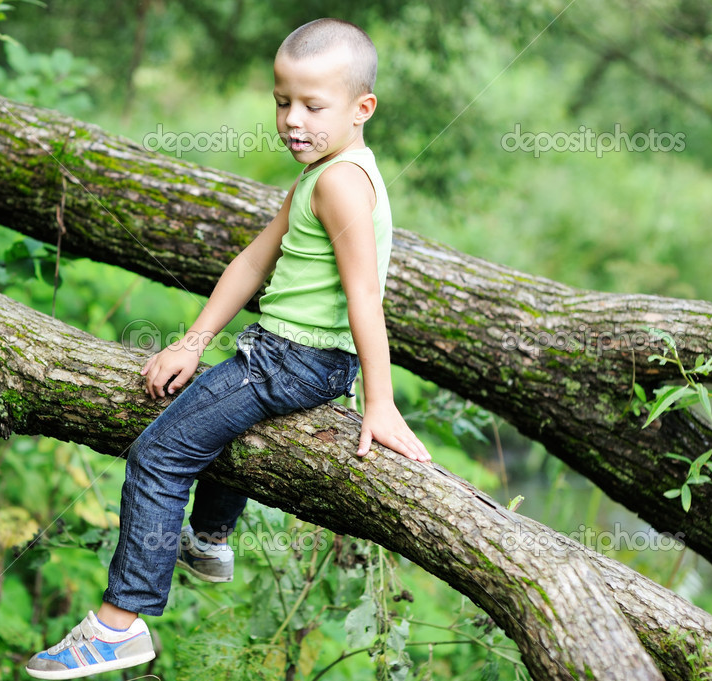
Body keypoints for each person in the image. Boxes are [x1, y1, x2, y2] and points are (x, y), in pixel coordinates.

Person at [25, 17, 432, 680]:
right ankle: (208, 540)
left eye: (312, 106)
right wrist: (192, 340)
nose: (291, 120)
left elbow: (364, 296)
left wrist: (378, 403)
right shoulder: (325, 173)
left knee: (157, 453)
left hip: (290, 361)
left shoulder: (338, 183)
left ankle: (117, 625)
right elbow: (252, 261)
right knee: (212, 412)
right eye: (281, 101)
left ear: (362, 109)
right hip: (293, 357)